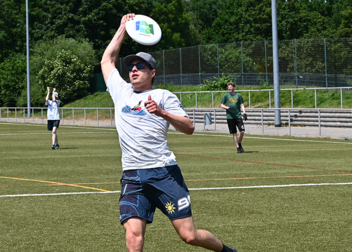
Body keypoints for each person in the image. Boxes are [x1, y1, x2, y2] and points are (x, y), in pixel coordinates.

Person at [101, 13, 238, 252]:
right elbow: (107, 60)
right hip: (132, 176)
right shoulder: (120, 90)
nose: (133, 69)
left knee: (189, 235)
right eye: (131, 66)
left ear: (152, 72)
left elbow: (189, 128)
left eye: (140, 66)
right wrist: (123, 27)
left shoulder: (164, 96)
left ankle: (226, 251)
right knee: (133, 237)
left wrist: (162, 113)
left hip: (163, 174)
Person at [221, 82, 247, 153]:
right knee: (234, 133)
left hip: (238, 116)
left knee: (242, 131)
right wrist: (228, 108)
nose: (229, 88)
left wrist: (244, 113)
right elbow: (222, 105)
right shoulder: (226, 96)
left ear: (234, 87)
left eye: (230, 87)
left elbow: (242, 104)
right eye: (228, 87)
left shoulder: (238, 95)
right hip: (230, 117)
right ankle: (238, 148)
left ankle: (239, 143)